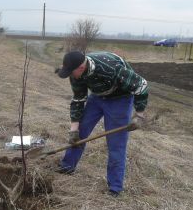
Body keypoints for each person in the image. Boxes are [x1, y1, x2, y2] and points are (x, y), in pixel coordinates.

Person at [55, 50, 149, 197]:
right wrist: (74, 130)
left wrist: (139, 115)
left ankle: (115, 187)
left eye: (71, 72)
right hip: (98, 97)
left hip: (120, 99)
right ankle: (67, 166)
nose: (70, 76)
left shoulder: (111, 68)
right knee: (81, 130)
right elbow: (78, 99)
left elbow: (141, 85)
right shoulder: (76, 72)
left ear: (81, 67)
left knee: (116, 143)